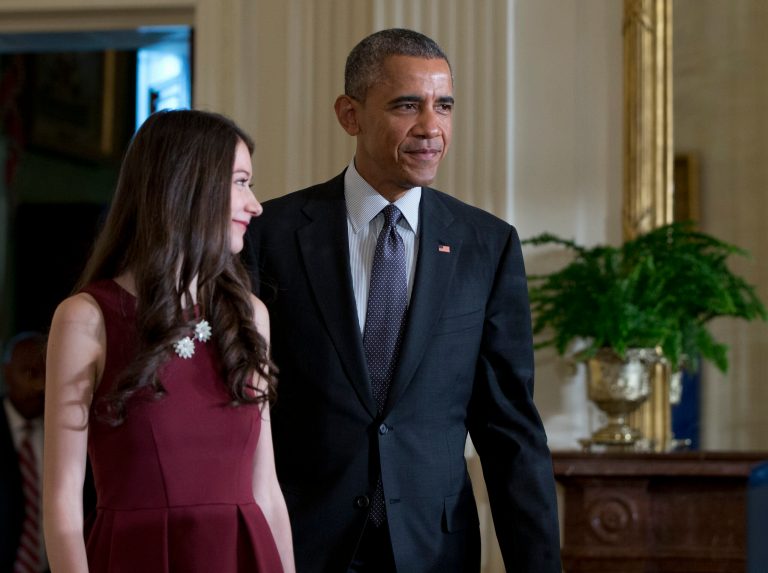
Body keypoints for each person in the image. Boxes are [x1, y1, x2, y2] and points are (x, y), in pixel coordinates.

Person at [244, 28, 561, 572]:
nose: (431, 128)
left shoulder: (486, 244)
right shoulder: (268, 235)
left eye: (444, 106)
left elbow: (509, 428)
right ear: (350, 114)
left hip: (434, 549)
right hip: (301, 542)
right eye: (407, 105)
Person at [43, 109, 295, 573]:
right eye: (240, 182)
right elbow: (61, 503)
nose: (256, 205)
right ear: (189, 186)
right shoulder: (85, 318)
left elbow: (267, 491)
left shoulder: (250, 315)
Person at [1, 332, 48, 572]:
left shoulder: (65, 432)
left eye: (47, 374)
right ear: (7, 372)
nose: (40, 385)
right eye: (30, 372)